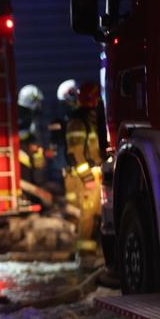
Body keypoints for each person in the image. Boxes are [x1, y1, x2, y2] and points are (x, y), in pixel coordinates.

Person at [63, 81, 103, 253]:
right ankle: (85, 256)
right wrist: (87, 178)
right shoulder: (78, 122)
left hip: (96, 175)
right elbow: (75, 153)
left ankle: (94, 252)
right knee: (87, 217)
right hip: (87, 178)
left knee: (96, 216)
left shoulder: (91, 119)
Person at [17, 84, 46, 187]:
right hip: (24, 153)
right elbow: (28, 135)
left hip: (24, 153)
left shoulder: (21, 113)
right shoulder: (26, 115)